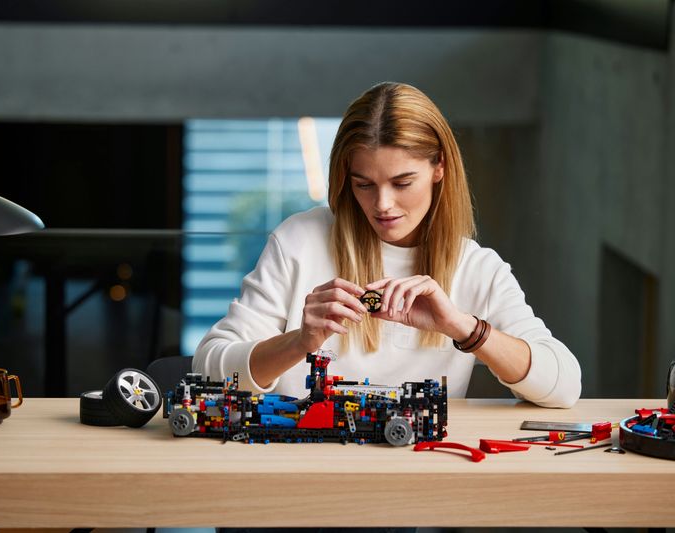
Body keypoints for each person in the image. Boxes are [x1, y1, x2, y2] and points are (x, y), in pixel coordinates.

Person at [193, 81, 581, 408]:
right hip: (305, 470)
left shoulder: (477, 268)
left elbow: (564, 387)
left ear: (439, 168)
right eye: (364, 184)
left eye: (401, 183)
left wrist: (461, 327)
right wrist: (298, 342)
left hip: (418, 476)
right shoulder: (299, 240)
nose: (382, 205)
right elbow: (206, 368)